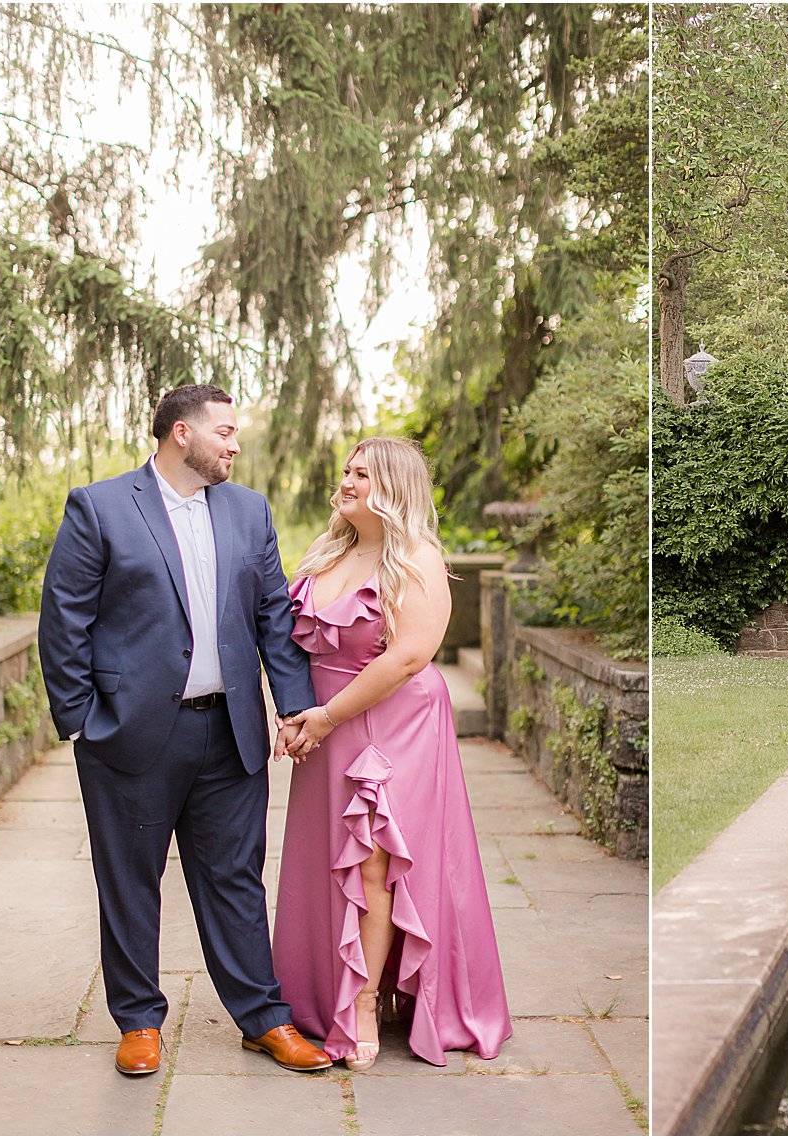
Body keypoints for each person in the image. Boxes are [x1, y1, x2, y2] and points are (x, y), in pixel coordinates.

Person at [38, 385, 332, 1077]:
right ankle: (139, 1020)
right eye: (225, 431)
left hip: (230, 732)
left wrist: (292, 708)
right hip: (131, 734)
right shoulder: (100, 506)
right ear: (180, 433)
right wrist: (82, 720)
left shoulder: (249, 510)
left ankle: (264, 1017)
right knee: (130, 880)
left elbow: (272, 619)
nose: (235, 444)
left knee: (236, 878)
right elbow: (64, 620)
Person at [271, 436, 511, 1072]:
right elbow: (295, 645)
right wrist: (293, 714)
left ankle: (364, 1004)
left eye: (363, 476)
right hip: (325, 727)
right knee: (329, 862)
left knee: (373, 864)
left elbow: (407, 657)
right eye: (346, 471)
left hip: (390, 724)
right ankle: (322, 992)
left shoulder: (418, 559)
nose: (346, 482)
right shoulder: (326, 555)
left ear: (395, 490)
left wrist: (323, 717)